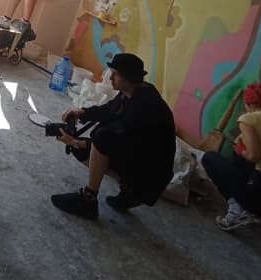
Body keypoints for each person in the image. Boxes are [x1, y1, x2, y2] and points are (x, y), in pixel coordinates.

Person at [50, 53, 176, 220]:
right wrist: (82, 112)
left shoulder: (144, 106)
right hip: (142, 161)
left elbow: (114, 139)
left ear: (129, 77)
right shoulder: (134, 91)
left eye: (115, 74)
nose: (110, 78)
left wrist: (74, 141)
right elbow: (109, 110)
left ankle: (89, 199)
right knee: (86, 147)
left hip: (150, 176)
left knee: (99, 138)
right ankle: (129, 193)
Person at [202, 83, 261, 231]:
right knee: (244, 162)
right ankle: (257, 215)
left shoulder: (248, 119)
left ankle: (237, 209)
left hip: (260, 196)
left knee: (210, 158)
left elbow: (253, 156)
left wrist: (241, 151)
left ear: (247, 104)